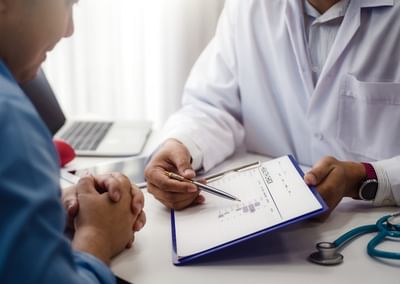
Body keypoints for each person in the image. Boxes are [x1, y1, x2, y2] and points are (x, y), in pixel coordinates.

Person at [144, 0, 400, 215]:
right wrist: (181, 145)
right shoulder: (248, 7)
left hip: (374, 220)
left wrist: (364, 177)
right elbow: (213, 107)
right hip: (268, 226)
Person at [0, 0, 145, 283]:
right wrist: (97, 236)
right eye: (67, 3)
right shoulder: (11, 124)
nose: (69, 30)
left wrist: (49, 205)